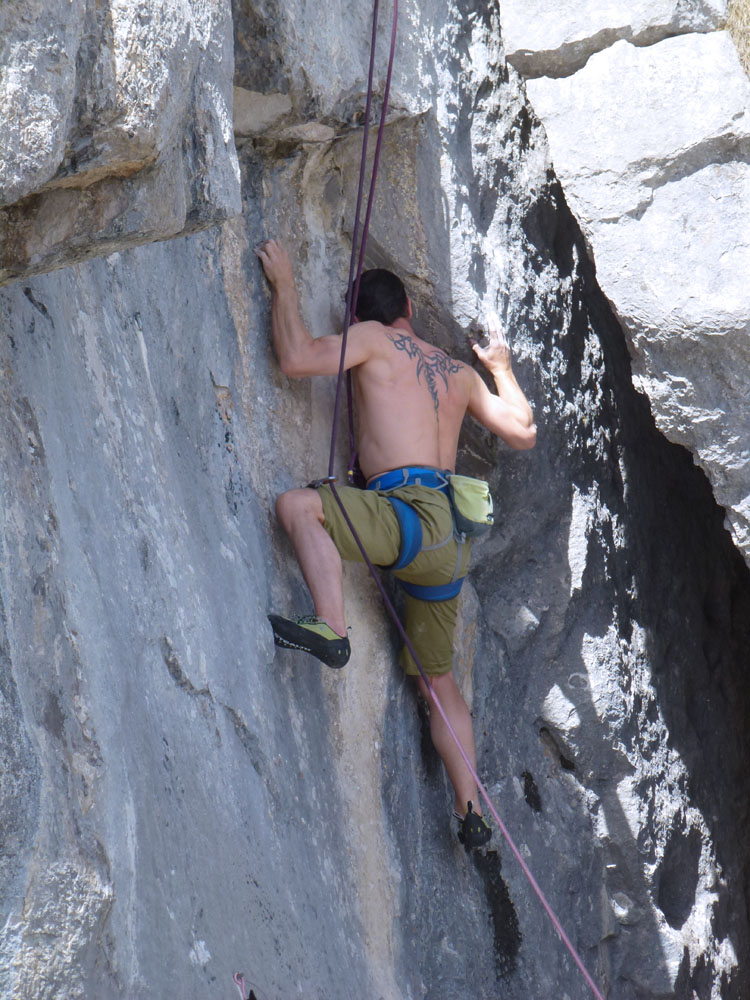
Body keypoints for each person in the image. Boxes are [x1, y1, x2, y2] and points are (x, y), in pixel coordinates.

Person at [255, 239, 536, 849]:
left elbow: (298, 358)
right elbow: (521, 430)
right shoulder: (456, 372)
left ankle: (332, 626)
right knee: (438, 681)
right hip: (452, 540)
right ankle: (471, 808)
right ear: (409, 304)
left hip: (405, 516)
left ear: (361, 317)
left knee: (299, 506)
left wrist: (285, 284)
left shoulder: (374, 341)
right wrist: (502, 367)